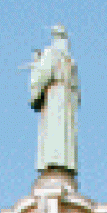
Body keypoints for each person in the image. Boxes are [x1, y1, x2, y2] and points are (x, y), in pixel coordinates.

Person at [29, 26, 79, 176]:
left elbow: (43, 75)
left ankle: (56, 163)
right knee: (61, 133)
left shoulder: (53, 54)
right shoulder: (69, 60)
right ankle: (60, 163)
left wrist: (36, 74)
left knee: (56, 131)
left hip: (56, 97)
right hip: (64, 98)